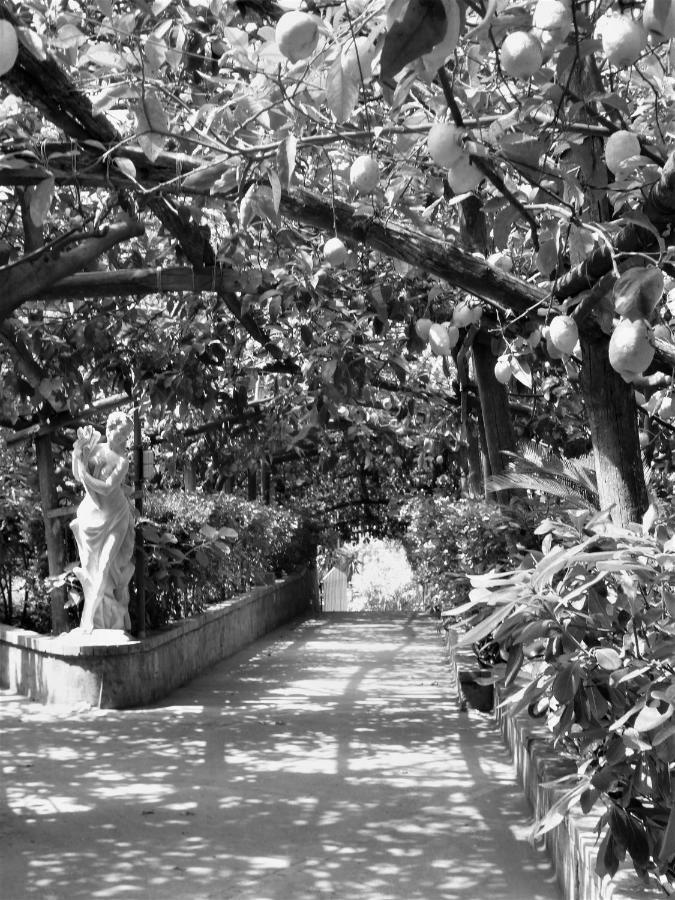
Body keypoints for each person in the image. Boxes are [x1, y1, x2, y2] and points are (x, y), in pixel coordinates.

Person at [70, 411, 136, 633]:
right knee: (92, 567)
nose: (125, 438)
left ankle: (90, 618)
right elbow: (78, 475)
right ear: (110, 428)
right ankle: (95, 617)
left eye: (127, 435)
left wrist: (85, 475)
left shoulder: (122, 461)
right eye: (122, 432)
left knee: (106, 564)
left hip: (117, 516)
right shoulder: (96, 449)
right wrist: (78, 456)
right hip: (93, 516)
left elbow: (108, 487)